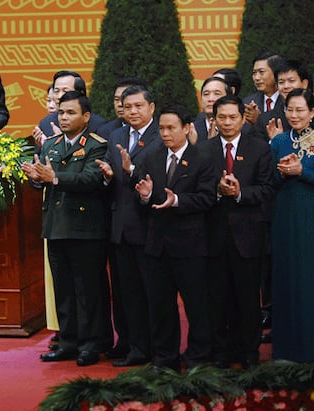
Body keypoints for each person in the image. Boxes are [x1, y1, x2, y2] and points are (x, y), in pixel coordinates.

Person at [22, 91, 109, 366]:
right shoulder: (51, 145)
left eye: (71, 113)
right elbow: (45, 181)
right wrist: (36, 178)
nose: (64, 117)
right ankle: (68, 342)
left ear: (86, 116)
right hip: (56, 226)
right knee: (64, 289)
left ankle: (91, 344)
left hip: (85, 229)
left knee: (88, 291)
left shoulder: (97, 145)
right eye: (61, 112)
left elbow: (90, 179)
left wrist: (55, 177)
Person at [134, 105, 217, 371]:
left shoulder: (202, 158)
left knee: (197, 305)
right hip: (157, 245)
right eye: (162, 128)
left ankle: (198, 357)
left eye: (171, 128)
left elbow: (207, 199)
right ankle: (164, 358)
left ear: (187, 128)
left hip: (190, 245)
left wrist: (177, 200)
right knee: (160, 306)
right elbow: (143, 200)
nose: (166, 133)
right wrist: (146, 197)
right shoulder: (151, 157)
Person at [201, 95, 274, 369]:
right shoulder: (204, 150)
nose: (228, 122)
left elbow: (267, 190)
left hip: (249, 236)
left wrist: (240, 192)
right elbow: (197, 190)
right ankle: (221, 352)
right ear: (214, 119)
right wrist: (217, 193)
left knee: (247, 298)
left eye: (233, 117)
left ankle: (250, 352)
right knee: (217, 298)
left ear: (243, 118)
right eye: (222, 117)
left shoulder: (259, 148)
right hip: (213, 237)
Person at [96, 85, 161, 367]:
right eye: (127, 106)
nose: (132, 111)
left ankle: (157, 349)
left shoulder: (162, 135)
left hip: (150, 226)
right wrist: (109, 176)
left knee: (154, 293)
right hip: (120, 226)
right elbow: (112, 177)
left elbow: (159, 178)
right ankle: (134, 346)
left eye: (138, 106)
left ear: (151, 108)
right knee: (127, 294)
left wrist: (132, 171)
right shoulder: (117, 135)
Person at [269, 87, 314, 363]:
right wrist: (282, 172)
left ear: (312, 112)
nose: (294, 115)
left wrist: (304, 171)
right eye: (290, 110)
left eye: (300, 110)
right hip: (284, 219)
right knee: (286, 279)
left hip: (310, 217)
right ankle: (286, 352)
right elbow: (267, 183)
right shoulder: (279, 142)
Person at [33, 71, 108, 146]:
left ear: (80, 93)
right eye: (56, 91)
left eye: (65, 91)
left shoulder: (99, 125)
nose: (59, 96)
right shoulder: (46, 123)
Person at [258, 59, 310, 141]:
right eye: (281, 82)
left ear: (304, 84)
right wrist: (275, 142)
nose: (286, 86)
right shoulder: (266, 120)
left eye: (291, 81)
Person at [244, 52, 281, 125]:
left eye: (261, 72)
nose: (256, 78)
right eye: (254, 73)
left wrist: (258, 120)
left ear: (276, 73)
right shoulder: (248, 103)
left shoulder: (288, 101)